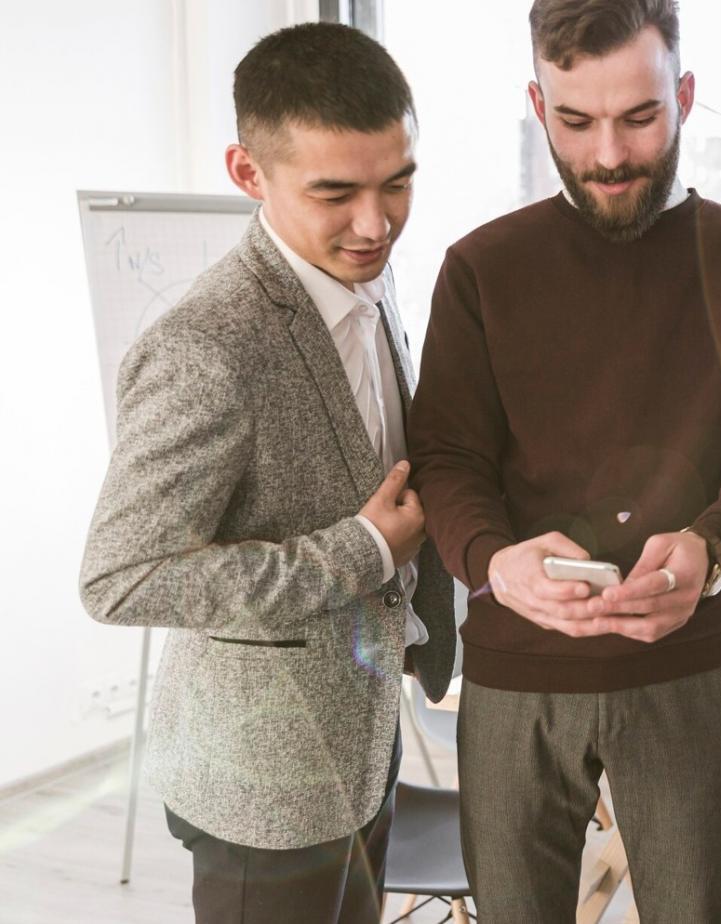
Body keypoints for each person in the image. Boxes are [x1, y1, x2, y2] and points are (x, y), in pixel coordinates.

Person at [405, 1, 721, 919]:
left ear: (683, 94)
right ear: (535, 101)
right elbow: (446, 456)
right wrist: (492, 561)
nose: (607, 156)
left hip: (688, 666)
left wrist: (712, 547)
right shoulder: (480, 269)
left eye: (638, 118)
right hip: (515, 672)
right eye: (574, 121)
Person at [78, 22, 456, 923]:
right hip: (260, 781)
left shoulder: (372, 276)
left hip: (363, 742)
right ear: (249, 175)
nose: (376, 223)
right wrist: (361, 549)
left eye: (396, 182)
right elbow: (119, 579)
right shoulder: (206, 347)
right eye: (335, 193)